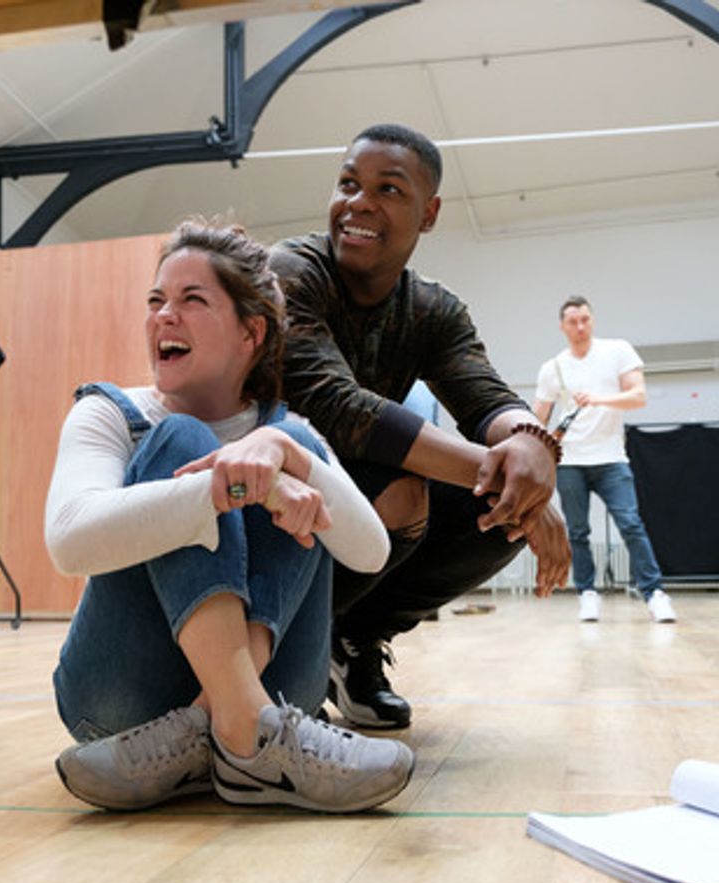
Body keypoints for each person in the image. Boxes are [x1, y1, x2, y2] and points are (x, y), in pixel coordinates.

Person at [45, 219, 414, 814]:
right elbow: (69, 542)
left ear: (251, 332)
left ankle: (213, 724)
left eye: (192, 301)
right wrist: (243, 490)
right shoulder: (109, 413)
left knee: (291, 447)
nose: (165, 316)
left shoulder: (292, 430)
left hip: (279, 690)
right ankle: (245, 734)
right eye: (156, 301)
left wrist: (288, 458)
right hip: (116, 705)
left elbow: (370, 551)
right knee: (181, 439)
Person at [268, 123, 572, 730]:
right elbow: (339, 407)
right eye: (349, 183)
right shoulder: (290, 271)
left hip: (354, 501)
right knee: (407, 485)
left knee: (499, 513)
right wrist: (509, 469)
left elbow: (484, 397)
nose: (359, 202)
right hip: (269, 499)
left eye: (388, 189)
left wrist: (529, 446)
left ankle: (354, 642)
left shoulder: (434, 309)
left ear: (428, 214)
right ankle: (283, 646)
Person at [533, 296, 677, 624]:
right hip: (569, 462)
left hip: (612, 458)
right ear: (562, 327)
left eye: (585, 319)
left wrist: (599, 399)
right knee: (578, 531)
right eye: (573, 321)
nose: (580, 327)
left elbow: (638, 396)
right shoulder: (552, 368)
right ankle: (587, 593)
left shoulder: (618, 352)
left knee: (631, 524)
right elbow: (538, 418)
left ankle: (654, 593)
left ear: (593, 320)